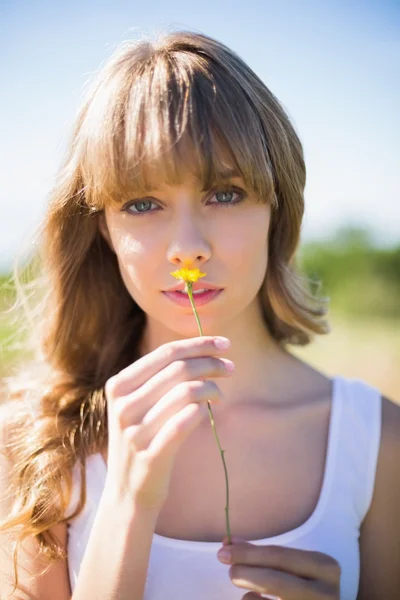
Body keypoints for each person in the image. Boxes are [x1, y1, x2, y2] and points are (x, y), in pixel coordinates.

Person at [0, 30, 399, 600]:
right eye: (142, 204)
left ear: (277, 206)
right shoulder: (34, 442)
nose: (187, 246)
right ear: (103, 232)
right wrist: (129, 505)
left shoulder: (377, 441)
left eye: (226, 193)